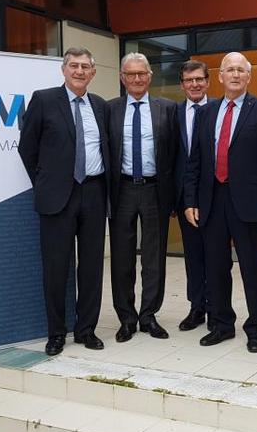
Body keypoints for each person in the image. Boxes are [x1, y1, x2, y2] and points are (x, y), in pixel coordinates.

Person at [184, 52, 257, 353]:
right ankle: (221, 324)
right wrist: (190, 199)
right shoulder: (207, 112)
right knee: (215, 267)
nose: (235, 75)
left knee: (252, 268)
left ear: (248, 76)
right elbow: (195, 161)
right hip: (212, 200)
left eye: (241, 70)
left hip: (250, 203)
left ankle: (255, 328)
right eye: (230, 70)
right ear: (220, 76)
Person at [18, 47, 110, 356]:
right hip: (58, 196)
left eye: (85, 66)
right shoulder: (44, 100)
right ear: (64, 69)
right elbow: (26, 148)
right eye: (74, 65)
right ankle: (56, 333)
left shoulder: (100, 105)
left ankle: (86, 330)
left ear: (93, 72)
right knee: (56, 268)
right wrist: (45, 182)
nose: (80, 71)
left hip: (94, 193)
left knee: (92, 266)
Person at [108, 52, 178, 342]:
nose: (136, 79)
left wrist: (174, 197)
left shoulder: (168, 109)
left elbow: (175, 155)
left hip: (154, 190)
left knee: (154, 257)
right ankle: (126, 318)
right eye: (130, 74)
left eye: (141, 74)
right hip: (122, 190)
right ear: (123, 78)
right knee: (121, 258)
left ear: (150, 76)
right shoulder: (109, 109)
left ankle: (149, 315)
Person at [174, 60, 211, 331]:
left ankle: (218, 307)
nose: (195, 84)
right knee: (193, 256)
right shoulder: (172, 113)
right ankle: (197, 307)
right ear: (182, 84)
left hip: (216, 196)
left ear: (208, 82)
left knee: (217, 256)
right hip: (185, 198)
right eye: (189, 80)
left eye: (199, 79)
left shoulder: (221, 110)